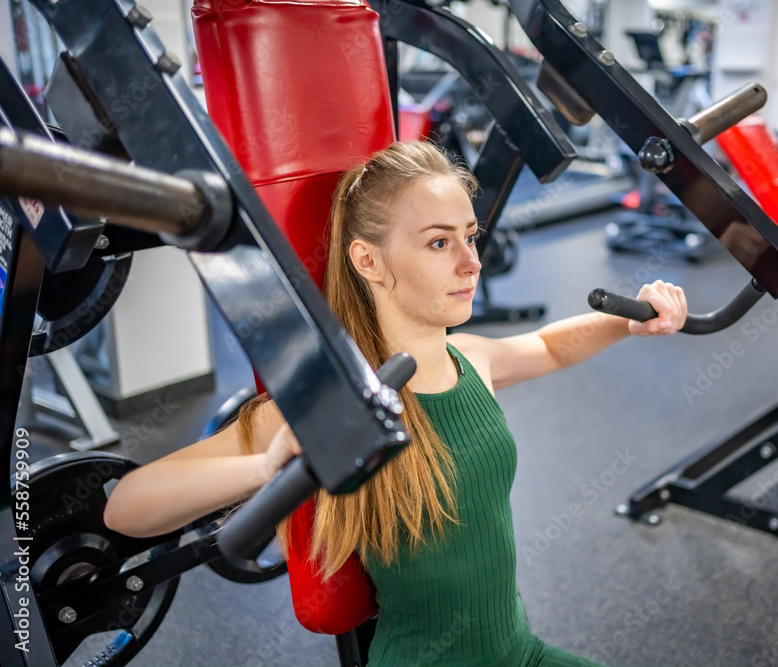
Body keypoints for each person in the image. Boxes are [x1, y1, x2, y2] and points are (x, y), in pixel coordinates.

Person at [103, 141, 687, 666]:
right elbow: (124, 509)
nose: (471, 262)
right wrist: (263, 469)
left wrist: (629, 320)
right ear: (368, 261)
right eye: (439, 242)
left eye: (469, 236)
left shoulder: (469, 359)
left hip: (518, 652)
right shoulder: (331, 405)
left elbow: (549, 347)